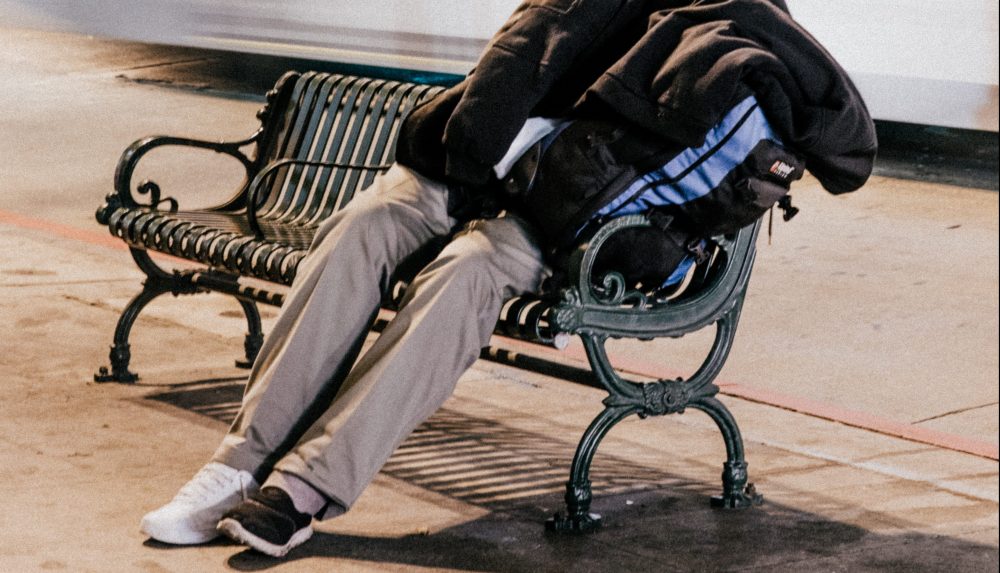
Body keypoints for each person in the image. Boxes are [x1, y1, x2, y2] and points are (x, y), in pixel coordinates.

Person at [140, 0, 876, 557]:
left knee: (469, 269)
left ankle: (305, 487)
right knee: (368, 224)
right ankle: (239, 462)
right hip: (480, 166)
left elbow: (840, 145)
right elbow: (516, 60)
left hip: (565, 216)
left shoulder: (735, 23)